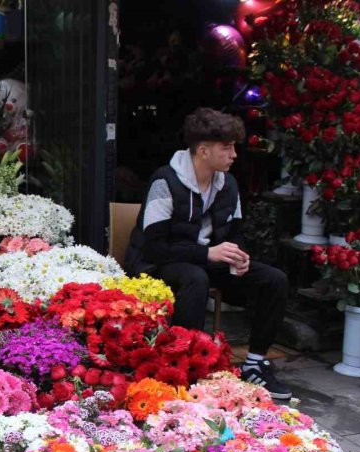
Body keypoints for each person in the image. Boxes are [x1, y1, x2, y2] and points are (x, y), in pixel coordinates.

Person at [125, 107, 292, 400]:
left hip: (206, 259)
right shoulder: (165, 181)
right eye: (226, 148)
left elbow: (235, 231)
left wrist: (238, 257)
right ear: (203, 151)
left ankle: (254, 362)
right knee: (195, 278)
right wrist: (208, 254)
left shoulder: (227, 183)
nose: (234, 155)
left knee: (274, 279)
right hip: (158, 263)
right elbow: (155, 246)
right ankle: (185, 366)